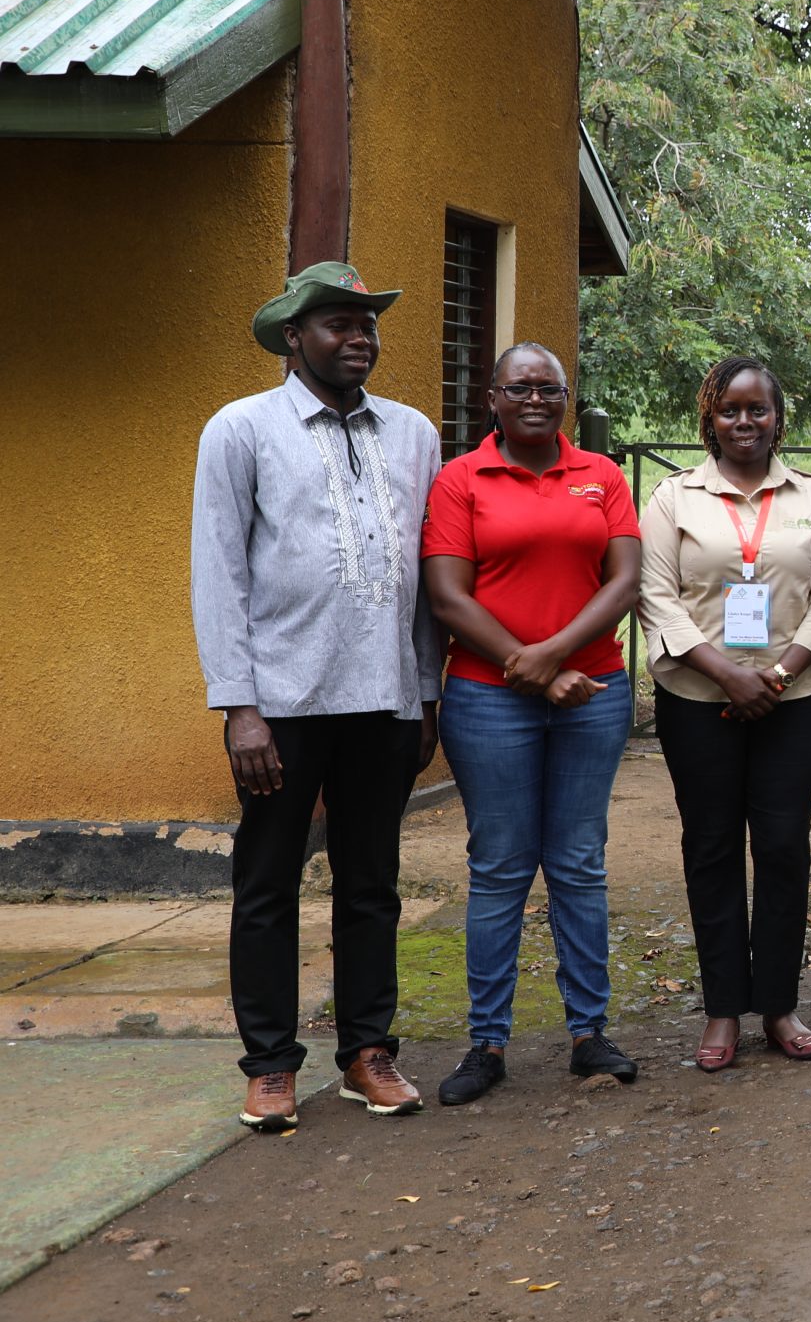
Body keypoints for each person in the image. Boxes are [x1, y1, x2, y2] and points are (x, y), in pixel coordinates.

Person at [192, 263, 442, 1132]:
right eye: (337, 323)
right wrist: (240, 706)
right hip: (283, 705)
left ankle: (368, 1052)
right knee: (267, 881)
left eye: (366, 322)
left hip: (383, 699)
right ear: (293, 338)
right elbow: (218, 572)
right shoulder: (240, 429)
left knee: (372, 881)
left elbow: (424, 576)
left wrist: (426, 690)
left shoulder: (412, 434)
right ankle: (268, 1063)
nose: (358, 336)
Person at [424, 343, 643, 1105]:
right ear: (493, 396)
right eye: (520, 386)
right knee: (501, 868)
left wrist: (548, 658)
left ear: (567, 398)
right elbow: (449, 596)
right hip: (490, 697)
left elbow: (624, 579)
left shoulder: (602, 476)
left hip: (593, 692)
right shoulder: (460, 479)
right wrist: (535, 667)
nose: (536, 398)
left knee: (579, 861)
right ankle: (487, 1042)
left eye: (550, 387)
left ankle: (590, 1032)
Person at [638, 357, 811, 1069]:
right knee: (713, 846)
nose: (745, 422)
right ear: (710, 418)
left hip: (795, 699)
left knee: (784, 847)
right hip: (698, 701)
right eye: (731, 410)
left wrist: (778, 674)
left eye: (758, 409)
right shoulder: (673, 500)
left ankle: (778, 1003)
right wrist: (727, 674)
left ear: (778, 417)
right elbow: (654, 595)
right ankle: (724, 1007)